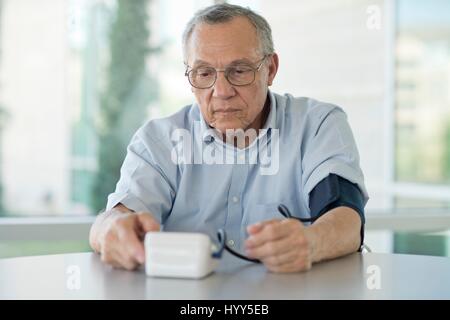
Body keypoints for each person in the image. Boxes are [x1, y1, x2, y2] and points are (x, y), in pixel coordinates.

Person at [89, 3, 368, 273]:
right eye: (205, 73)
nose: (221, 91)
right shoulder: (158, 140)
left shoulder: (318, 125)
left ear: (270, 69)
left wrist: (311, 242)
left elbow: (346, 220)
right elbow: (113, 220)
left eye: (239, 71)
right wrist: (111, 231)